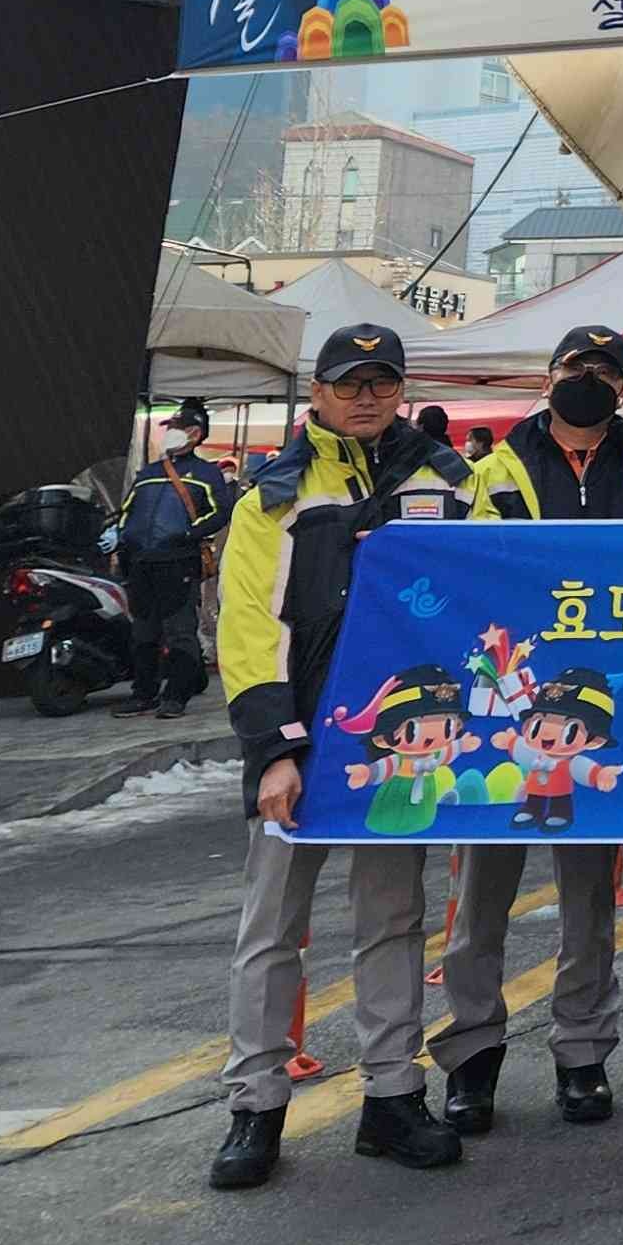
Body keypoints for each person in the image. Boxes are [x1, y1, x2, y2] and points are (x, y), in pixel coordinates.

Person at [210, 320, 473, 1187]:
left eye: (381, 382)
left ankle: (393, 1098)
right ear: (317, 392)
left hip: (402, 748)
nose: (366, 397)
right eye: (349, 382)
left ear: (401, 390)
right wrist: (274, 748)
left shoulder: (450, 479)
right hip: (299, 743)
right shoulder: (273, 493)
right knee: (271, 930)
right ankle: (254, 1108)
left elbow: (480, 601)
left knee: (393, 920)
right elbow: (248, 627)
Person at [437, 323, 623, 1135]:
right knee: (481, 900)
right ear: (549, 376)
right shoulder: (492, 470)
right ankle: (472, 1057)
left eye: (607, 370)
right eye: (577, 365)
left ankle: (582, 1054)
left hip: (601, 715)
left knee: (589, 902)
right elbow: (463, 581)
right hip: (504, 713)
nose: (590, 379)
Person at [113, 400, 235, 719]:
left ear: (195, 433)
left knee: (180, 630)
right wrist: (122, 536)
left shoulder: (207, 473)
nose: (171, 433)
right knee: (143, 631)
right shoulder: (148, 472)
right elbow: (127, 510)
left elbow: (221, 511)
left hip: (178, 562)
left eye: (178, 427)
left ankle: (176, 696)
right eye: (170, 428)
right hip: (141, 562)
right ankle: (144, 693)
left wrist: (187, 533)